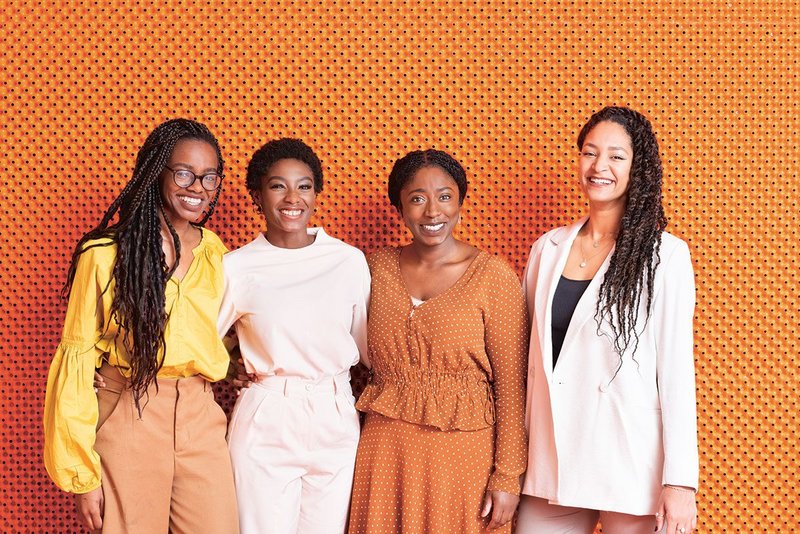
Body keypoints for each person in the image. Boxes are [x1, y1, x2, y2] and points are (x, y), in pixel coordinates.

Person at [43, 118, 239, 533]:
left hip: (200, 415)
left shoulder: (216, 253)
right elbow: (76, 354)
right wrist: (83, 475)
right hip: (130, 411)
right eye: (184, 173)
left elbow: (217, 334)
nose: (197, 188)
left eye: (208, 178)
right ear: (155, 172)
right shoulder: (105, 255)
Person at [517, 106, 699, 534]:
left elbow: (675, 374)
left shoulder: (666, 256)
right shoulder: (547, 249)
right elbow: (526, 362)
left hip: (629, 464)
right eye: (589, 152)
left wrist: (680, 483)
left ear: (638, 168)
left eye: (616, 156)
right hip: (551, 460)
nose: (599, 166)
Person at [348, 149, 528, 533]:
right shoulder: (372, 268)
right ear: (400, 208)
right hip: (384, 454)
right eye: (417, 198)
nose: (433, 211)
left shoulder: (493, 277)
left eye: (444, 196)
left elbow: (512, 388)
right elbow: (332, 346)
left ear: (461, 202)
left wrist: (508, 476)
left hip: (463, 458)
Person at [218, 138, 370, 534]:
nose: (292, 198)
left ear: (316, 193)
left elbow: (367, 348)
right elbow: (199, 340)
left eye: (303, 186)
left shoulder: (348, 261)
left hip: (334, 412)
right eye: (277, 185)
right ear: (257, 194)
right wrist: (229, 361)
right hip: (267, 413)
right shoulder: (235, 267)